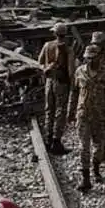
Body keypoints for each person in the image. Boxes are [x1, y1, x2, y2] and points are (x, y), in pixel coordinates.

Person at [73, 44, 105, 192]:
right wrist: (71, 112)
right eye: (87, 58)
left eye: (93, 58)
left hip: (100, 116)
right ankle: (85, 179)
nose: (90, 61)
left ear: (100, 58)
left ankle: (96, 168)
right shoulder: (79, 72)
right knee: (83, 147)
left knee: (99, 146)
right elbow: (75, 92)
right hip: (83, 115)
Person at [38, 23, 75, 155]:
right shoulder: (68, 49)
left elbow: (40, 61)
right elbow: (71, 70)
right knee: (60, 111)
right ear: (65, 34)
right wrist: (72, 85)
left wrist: (47, 70)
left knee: (49, 109)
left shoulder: (47, 45)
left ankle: (48, 139)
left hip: (49, 81)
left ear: (54, 33)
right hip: (62, 83)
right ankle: (56, 141)